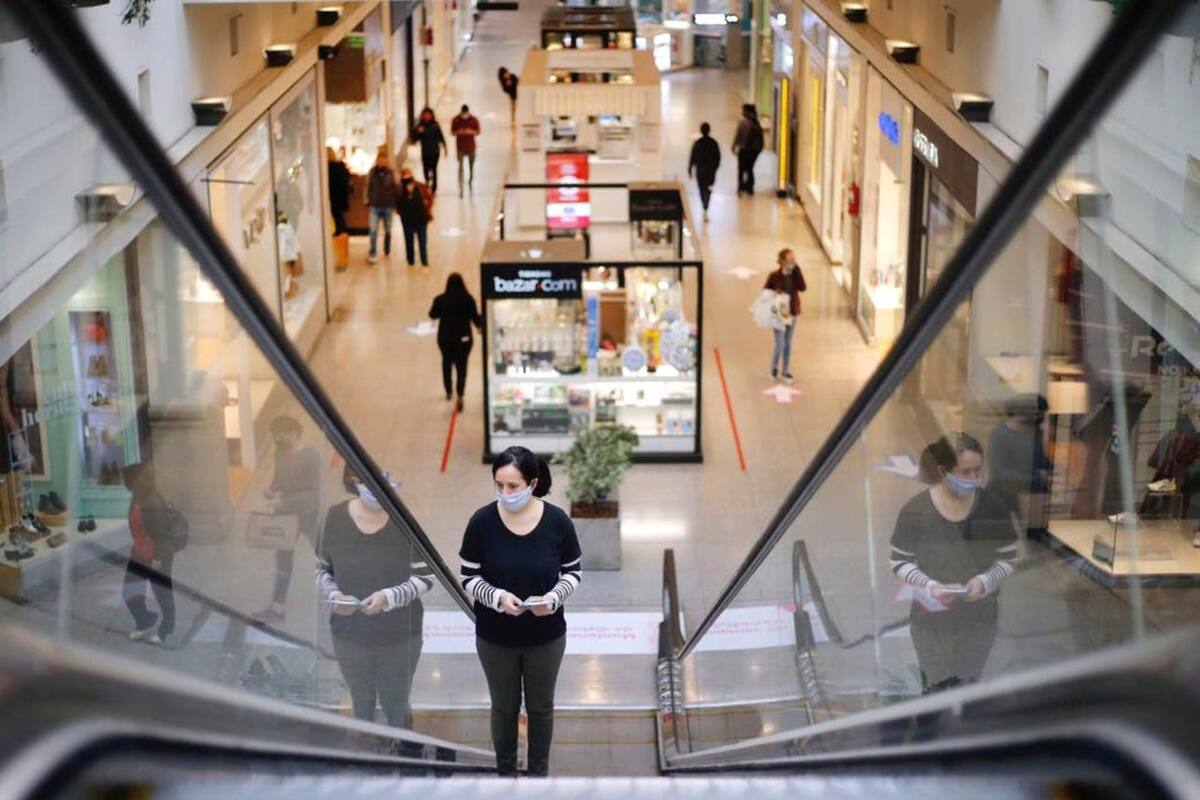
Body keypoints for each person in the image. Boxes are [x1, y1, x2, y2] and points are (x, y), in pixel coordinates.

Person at [459, 446, 582, 776]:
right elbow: (468, 576)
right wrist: (497, 597)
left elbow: (573, 572)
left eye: (512, 486)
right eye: (498, 485)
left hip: (546, 636)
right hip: (495, 637)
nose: (504, 493)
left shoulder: (557, 522)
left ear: (533, 483)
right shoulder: (482, 522)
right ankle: (506, 774)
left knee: (541, 708)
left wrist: (553, 598)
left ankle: (538, 774)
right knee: (503, 708)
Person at [889, 434, 1018, 694]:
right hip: (930, 618)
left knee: (969, 683)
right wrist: (929, 585)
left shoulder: (993, 507)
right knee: (936, 685)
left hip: (979, 617)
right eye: (966, 471)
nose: (974, 478)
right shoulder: (915, 511)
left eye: (978, 470)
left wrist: (984, 581)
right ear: (942, 471)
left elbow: (1008, 558)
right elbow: (900, 561)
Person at [317, 464, 433, 727]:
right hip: (349, 634)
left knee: (397, 702)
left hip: (399, 636)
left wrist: (389, 597)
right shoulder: (334, 518)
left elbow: (426, 576)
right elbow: (322, 568)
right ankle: (369, 756)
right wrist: (333, 595)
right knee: (361, 701)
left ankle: (405, 755)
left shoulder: (404, 521)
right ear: (353, 482)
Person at [256, 415, 321, 624]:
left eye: (281, 434)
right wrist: (271, 490)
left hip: (307, 513)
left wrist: (282, 501)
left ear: (294, 432)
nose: (277, 438)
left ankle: (346, 596)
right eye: (275, 434)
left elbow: (313, 493)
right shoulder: (280, 451)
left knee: (324, 553)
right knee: (283, 560)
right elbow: (279, 479)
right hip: (286, 515)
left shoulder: (311, 455)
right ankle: (278, 607)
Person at [123, 463, 177, 645]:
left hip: (158, 555)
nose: (126, 484)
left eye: (128, 480)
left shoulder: (152, 501)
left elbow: (161, 534)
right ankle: (144, 620)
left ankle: (166, 629)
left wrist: (158, 559)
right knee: (130, 591)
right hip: (139, 553)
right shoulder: (137, 498)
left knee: (162, 594)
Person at [987, 394, 1051, 534]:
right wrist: (1037, 478)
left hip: (1033, 500)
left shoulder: (1037, 433)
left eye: (1041, 413)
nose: (1039, 417)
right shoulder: (1000, 435)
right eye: (1036, 413)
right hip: (1005, 497)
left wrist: (1048, 470)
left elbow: (1042, 462)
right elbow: (999, 474)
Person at [429, 273, 482, 413]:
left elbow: (432, 314)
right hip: (463, 339)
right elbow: (476, 319)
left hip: (445, 338)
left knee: (446, 363)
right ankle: (460, 394)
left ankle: (448, 391)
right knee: (462, 366)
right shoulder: (468, 299)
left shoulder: (440, 299)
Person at [764, 248, 806, 383]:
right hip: (779, 314)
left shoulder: (795, 274)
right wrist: (774, 294)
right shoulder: (774, 276)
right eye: (789, 260)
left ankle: (785, 371)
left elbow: (803, 287)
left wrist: (797, 270)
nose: (792, 262)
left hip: (792, 312)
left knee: (788, 343)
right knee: (780, 343)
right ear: (782, 261)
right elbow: (766, 293)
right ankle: (774, 368)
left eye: (794, 260)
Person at [395, 167, 433, 268]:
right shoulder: (400, 189)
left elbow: (429, 198)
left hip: (421, 219)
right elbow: (397, 203)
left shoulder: (420, 186)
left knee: (422, 241)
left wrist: (427, 209)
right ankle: (410, 261)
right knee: (409, 241)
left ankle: (424, 262)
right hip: (407, 220)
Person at [366, 151, 397, 264]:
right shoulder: (372, 172)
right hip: (375, 205)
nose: (382, 162)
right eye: (380, 159)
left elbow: (395, 187)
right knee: (373, 230)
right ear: (377, 160)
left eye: (384, 160)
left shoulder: (390, 173)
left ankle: (387, 249)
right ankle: (373, 252)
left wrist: (395, 203)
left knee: (388, 230)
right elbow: (367, 186)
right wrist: (367, 200)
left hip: (388, 205)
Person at [688, 122, 721, 221]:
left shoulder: (698, 143)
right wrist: (715, 168)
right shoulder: (713, 143)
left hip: (701, 170)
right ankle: (706, 205)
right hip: (710, 171)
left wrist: (690, 168)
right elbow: (718, 157)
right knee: (707, 188)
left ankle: (704, 205)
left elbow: (692, 157)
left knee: (702, 189)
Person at [411, 107, 448, 195]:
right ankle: (427, 181)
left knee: (434, 169)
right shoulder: (420, 126)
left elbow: (441, 137)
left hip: (435, 151)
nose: (427, 116)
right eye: (425, 115)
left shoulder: (435, 125)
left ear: (431, 115)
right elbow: (414, 139)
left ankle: (434, 188)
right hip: (425, 152)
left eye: (428, 115)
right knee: (425, 169)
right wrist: (419, 132)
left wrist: (445, 147)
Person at [327, 147, 351, 271]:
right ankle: (342, 258)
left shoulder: (327, 169)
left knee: (336, 229)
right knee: (340, 227)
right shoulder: (340, 167)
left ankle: (339, 259)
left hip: (331, 202)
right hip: (338, 203)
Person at [732, 104, 764, 196]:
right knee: (749, 168)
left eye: (743, 110)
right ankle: (750, 188)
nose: (742, 111)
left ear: (746, 111)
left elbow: (738, 135)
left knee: (741, 169)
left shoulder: (743, 122)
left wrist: (734, 146)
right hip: (755, 150)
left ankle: (740, 187)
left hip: (745, 148)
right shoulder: (756, 122)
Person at [451, 104, 481, 197]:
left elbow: (478, 131)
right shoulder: (456, 120)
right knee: (460, 167)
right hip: (460, 147)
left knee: (471, 166)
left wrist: (470, 131)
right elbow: (452, 131)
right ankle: (461, 186)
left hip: (471, 147)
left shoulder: (474, 120)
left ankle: (470, 181)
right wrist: (459, 132)